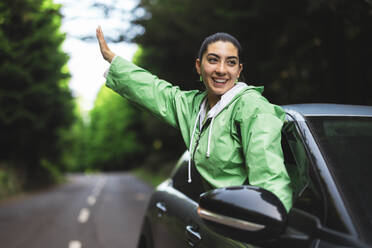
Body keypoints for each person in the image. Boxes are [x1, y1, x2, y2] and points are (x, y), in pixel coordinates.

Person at [96, 26, 293, 211]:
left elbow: (269, 174)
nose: (222, 70)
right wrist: (113, 60)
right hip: (216, 220)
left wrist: (273, 217)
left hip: (248, 223)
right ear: (199, 66)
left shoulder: (253, 108)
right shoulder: (194, 106)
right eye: (213, 60)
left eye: (231, 62)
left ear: (239, 70)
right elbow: (155, 91)